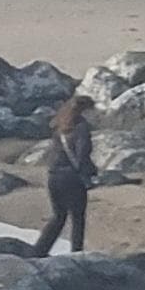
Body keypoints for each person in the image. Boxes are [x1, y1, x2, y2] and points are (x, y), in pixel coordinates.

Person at [32, 95, 96, 257]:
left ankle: (38, 251)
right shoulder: (81, 127)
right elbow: (81, 155)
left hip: (53, 176)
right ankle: (76, 254)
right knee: (78, 218)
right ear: (85, 110)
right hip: (72, 178)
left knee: (58, 216)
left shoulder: (60, 125)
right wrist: (92, 171)